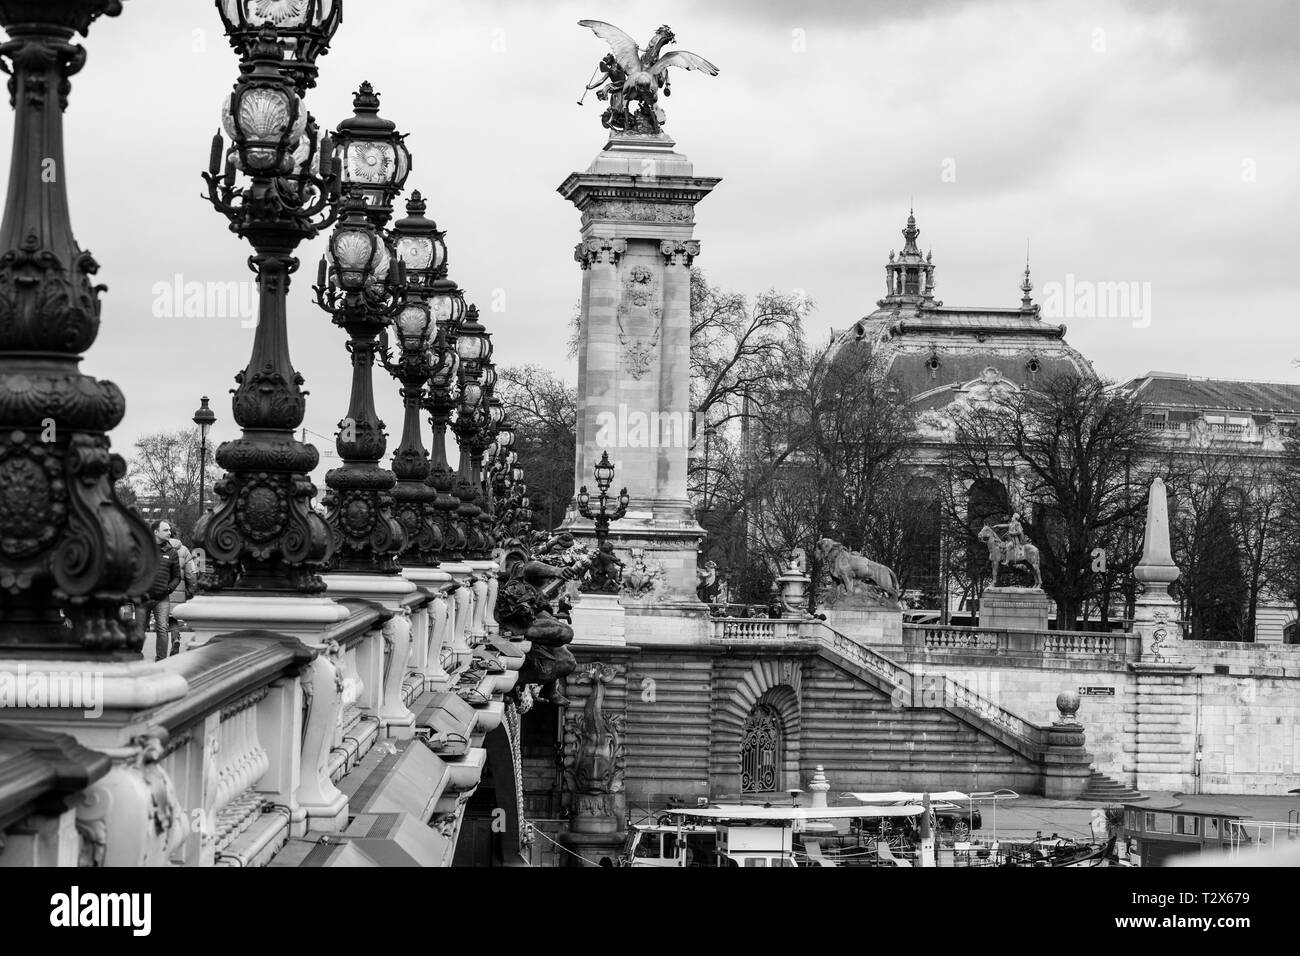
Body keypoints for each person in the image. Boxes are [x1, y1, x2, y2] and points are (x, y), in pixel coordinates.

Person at [144, 520, 182, 661]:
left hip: (162, 598)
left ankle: (161, 661)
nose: (169, 532)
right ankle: (135, 657)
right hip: (143, 597)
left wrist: (168, 589)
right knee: (139, 630)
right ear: (156, 532)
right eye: (165, 530)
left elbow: (177, 577)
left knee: (162, 629)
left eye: (169, 530)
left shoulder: (172, 553)